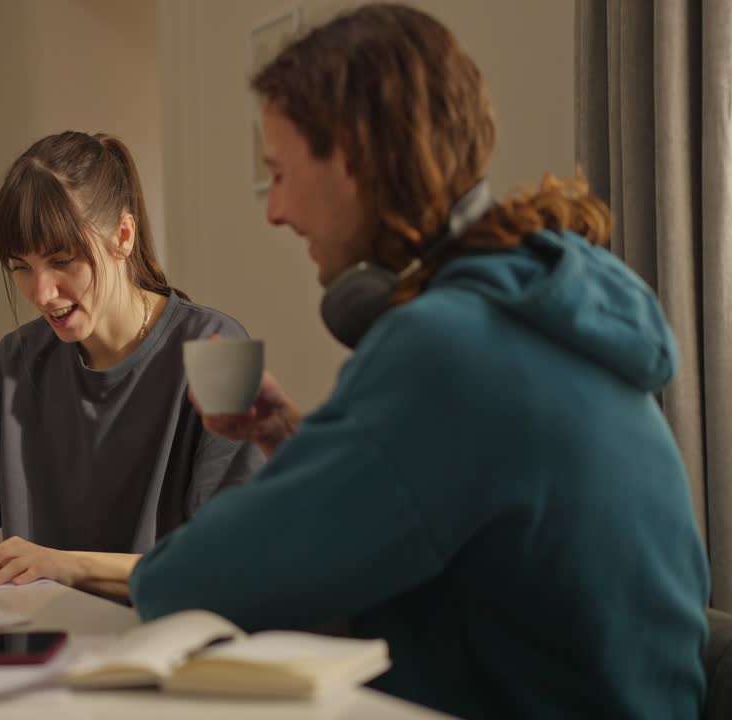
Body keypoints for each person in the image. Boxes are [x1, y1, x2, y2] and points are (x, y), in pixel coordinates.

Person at [128, 4, 710, 719]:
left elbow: (185, 584)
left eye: (280, 172)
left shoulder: (448, 347)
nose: (275, 209)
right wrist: (292, 439)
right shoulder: (545, 300)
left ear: (351, 158)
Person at [0, 131, 263, 600]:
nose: (42, 293)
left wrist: (64, 565)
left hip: (166, 641)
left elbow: (226, 556)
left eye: (62, 261)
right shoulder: (16, 363)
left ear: (123, 235)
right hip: (42, 640)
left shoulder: (221, 349)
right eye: (22, 267)